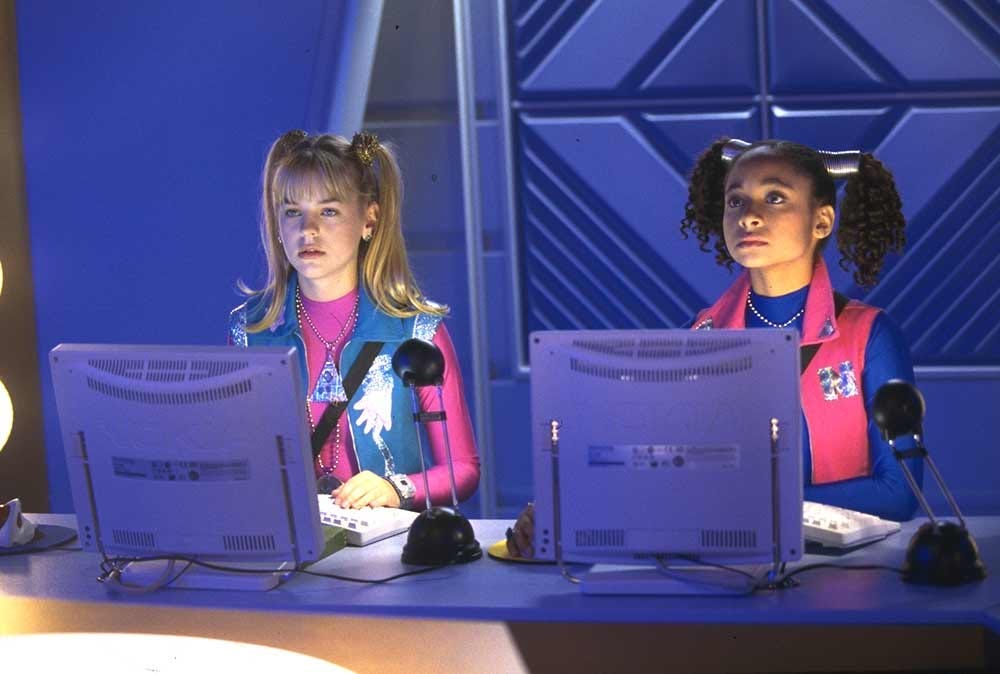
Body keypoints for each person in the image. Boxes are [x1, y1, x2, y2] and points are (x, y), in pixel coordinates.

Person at [507, 136, 919, 558]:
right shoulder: (699, 337)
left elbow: (901, 492)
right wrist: (566, 505)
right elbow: (648, 466)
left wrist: (747, 499)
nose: (749, 217)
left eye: (775, 198)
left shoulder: (870, 335)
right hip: (725, 567)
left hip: (843, 573)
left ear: (822, 222)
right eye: (736, 201)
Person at [229, 130, 479, 510]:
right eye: (293, 211)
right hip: (292, 541)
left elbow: (464, 469)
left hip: (388, 543)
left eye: (328, 211)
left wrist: (396, 489)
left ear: (369, 219)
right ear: (277, 225)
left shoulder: (417, 330)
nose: (308, 229)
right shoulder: (250, 333)